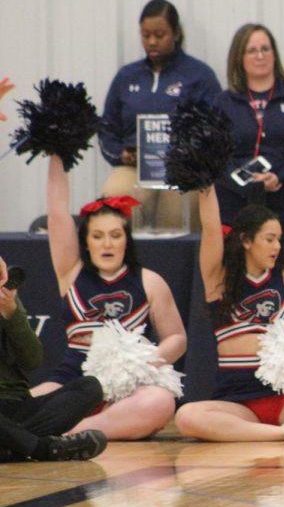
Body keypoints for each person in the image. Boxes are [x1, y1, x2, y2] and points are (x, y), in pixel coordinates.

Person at [30, 155, 187, 440]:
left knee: (160, 402)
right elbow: (57, 213)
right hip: (74, 380)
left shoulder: (150, 281)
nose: (107, 243)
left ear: (127, 240)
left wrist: (138, 365)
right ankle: (55, 432)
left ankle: (65, 434)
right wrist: (57, 152)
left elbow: (176, 339)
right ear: (86, 243)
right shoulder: (70, 273)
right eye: (98, 236)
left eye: (115, 235)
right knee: (17, 406)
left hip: (130, 388)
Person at [0, 81, 107, 462]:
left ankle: (11, 446)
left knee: (89, 388)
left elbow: (32, 361)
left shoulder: (7, 301)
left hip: (17, 409)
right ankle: (39, 448)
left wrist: (12, 314)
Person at [174, 187, 284, 442]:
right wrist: (206, 186)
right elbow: (211, 227)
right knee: (187, 416)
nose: (277, 246)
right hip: (238, 404)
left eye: (279, 239)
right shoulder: (218, 281)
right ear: (246, 240)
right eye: (269, 239)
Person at [99, 0, 220, 228]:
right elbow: (107, 127)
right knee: (114, 200)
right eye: (146, 35)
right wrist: (121, 153)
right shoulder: (127, 76)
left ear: (176, 33)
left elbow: (215, 129)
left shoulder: (199, 76)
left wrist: (188, 154)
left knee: (176, 216)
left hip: (181, 169)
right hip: (134, 168)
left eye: (160, 34)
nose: (152, 41)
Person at [214, 23, 284, 271]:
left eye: (266, 48)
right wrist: (245, 182)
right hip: (237, 203)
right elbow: (216, 156)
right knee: (237, 277)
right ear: (239, 58)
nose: (260, 55)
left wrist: (279, 176)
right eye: (252, 50)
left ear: (274, 54)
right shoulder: (223, 102)